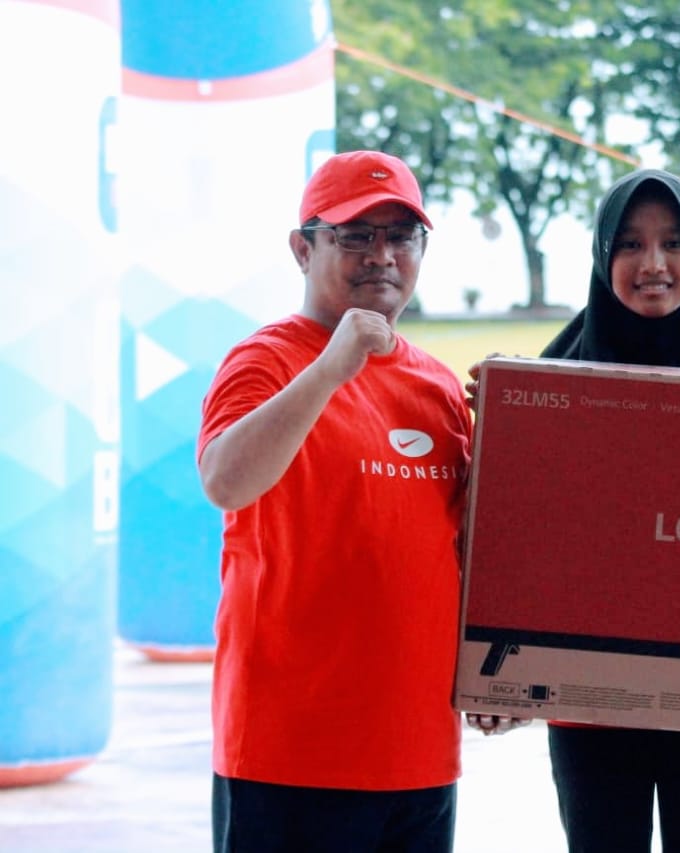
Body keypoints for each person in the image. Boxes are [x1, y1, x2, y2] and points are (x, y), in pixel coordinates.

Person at [466, 168, 680, 852]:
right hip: (589, 704)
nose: (653, 263)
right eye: (630, 244)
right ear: (604, 257)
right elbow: (507, 542)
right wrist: (492, 677)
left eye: (673, 243)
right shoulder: (547, 389)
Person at [197, 150, 471, 852]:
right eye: (355, 235)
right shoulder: (266, 359)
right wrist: (329, 370)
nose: (381, 255)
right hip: (290, 754)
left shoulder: (441, 387)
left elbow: (469, 549)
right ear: (303, 248)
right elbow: (224, 480)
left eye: (401, 236)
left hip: (419, 754)